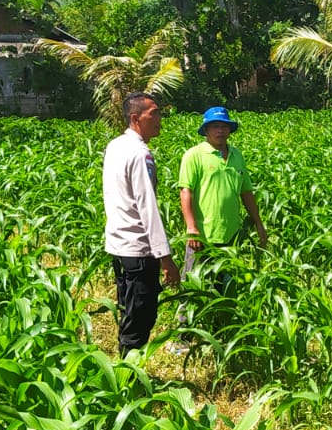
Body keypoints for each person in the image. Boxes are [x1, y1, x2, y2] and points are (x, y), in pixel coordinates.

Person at [103, 92, 179, 355]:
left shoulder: (115, 146)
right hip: (138, 249)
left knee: (129, 309)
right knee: (141, 317)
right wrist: (165, 257)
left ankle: (126, 373)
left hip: (118, 245)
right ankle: (129, 380)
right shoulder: (139, 154)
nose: (159, 118)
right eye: (153, 113)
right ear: (136, 118)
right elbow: (147, 208)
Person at [178, 106, 268, 296]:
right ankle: (185, 325)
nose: (220, 130)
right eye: (215, 126)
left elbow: (246, 192)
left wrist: (258, 223)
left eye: (224, 126)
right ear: (206, 130)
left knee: (225, 288)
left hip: (230, 236)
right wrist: (192, 228)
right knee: (194, 287)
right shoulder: (194, 155)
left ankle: (220, 324)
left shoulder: (237, 155)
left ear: (230, 130)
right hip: (202, 237)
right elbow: (186, 191)